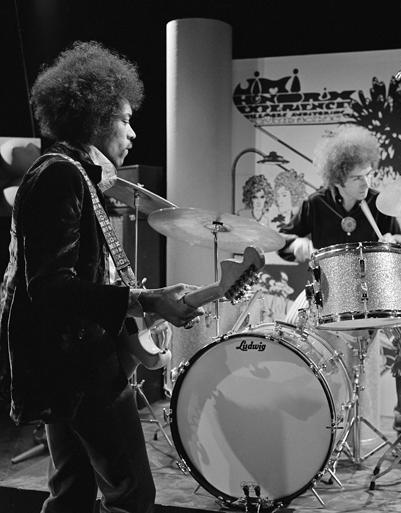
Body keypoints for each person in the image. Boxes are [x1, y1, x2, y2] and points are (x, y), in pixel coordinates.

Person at [0, 41, 204, 513]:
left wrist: (138, 302)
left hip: (64, 361)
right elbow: (50, 288)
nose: (133, 132)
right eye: (125, 119)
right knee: (132, 494)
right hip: (78, 366)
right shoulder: (60, 177)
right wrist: (147, 300)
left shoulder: (69, 174)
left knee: (71, 491)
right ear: (95, 118)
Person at [278, 125, 401, 459]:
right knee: (289, 330)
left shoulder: (379, 203)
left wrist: (394, 241)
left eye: (369, 175)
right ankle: (300, 427)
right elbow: (282, 242)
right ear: (338, 178)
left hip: (375, 293)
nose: (366, 183)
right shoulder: (315, 204)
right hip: (326, 290)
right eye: (358, 178)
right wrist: (297, 244)